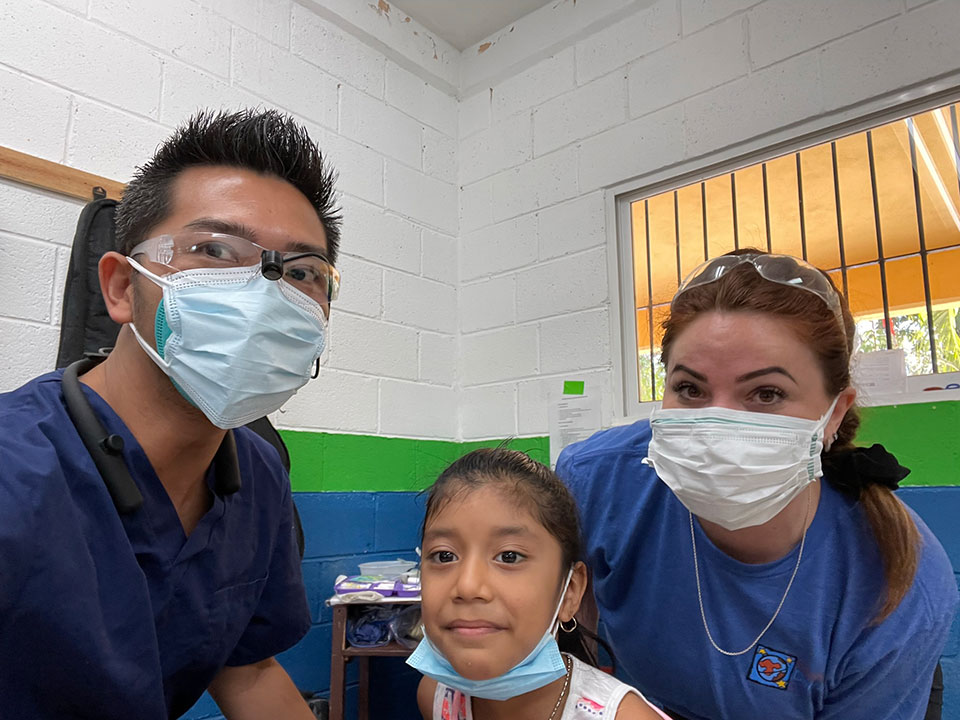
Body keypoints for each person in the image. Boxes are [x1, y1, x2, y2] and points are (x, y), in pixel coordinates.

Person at [0, 109, 342, 719]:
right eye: (214, 250)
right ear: (121, 288)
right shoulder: (14, 468)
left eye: (301, 272)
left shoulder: (258, 474)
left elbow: (248, 669)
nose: (265, 293)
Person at [557, 250, 959, 719]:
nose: (717, 426)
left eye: (766, 394)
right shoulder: (599, 479)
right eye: (690, 389)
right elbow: (566, 631)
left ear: (835, 413)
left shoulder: (897, 582)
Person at [409, 447, 670, 720]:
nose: (468, 586)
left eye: (509, 557)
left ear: (569, 592)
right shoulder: (437, 698)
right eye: (444, 555)